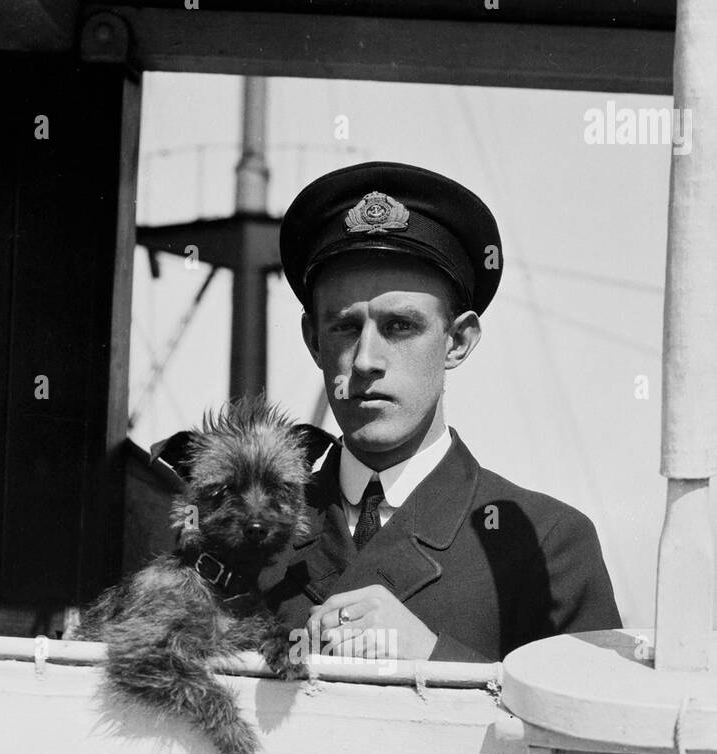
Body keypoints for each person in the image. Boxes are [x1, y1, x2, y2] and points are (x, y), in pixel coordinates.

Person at [260, 161, 621, 663]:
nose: (366, 360)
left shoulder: (545, 543)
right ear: (312, 340)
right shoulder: (250, 534)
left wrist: (434, 660)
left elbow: (592, 734)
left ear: (458, 341)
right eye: (344, 327)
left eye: (400, 327)